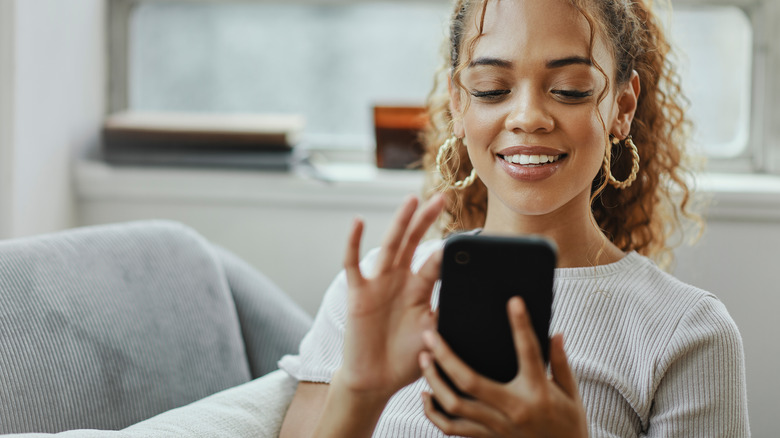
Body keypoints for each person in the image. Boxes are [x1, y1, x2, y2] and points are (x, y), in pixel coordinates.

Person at [278, 0, 750, 436]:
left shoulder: (689, 333)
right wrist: (358, 393)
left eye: (569, 90)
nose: (527, 117)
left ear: (622, 107)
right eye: (492, 89)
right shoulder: (377, 294)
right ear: (459, 103)